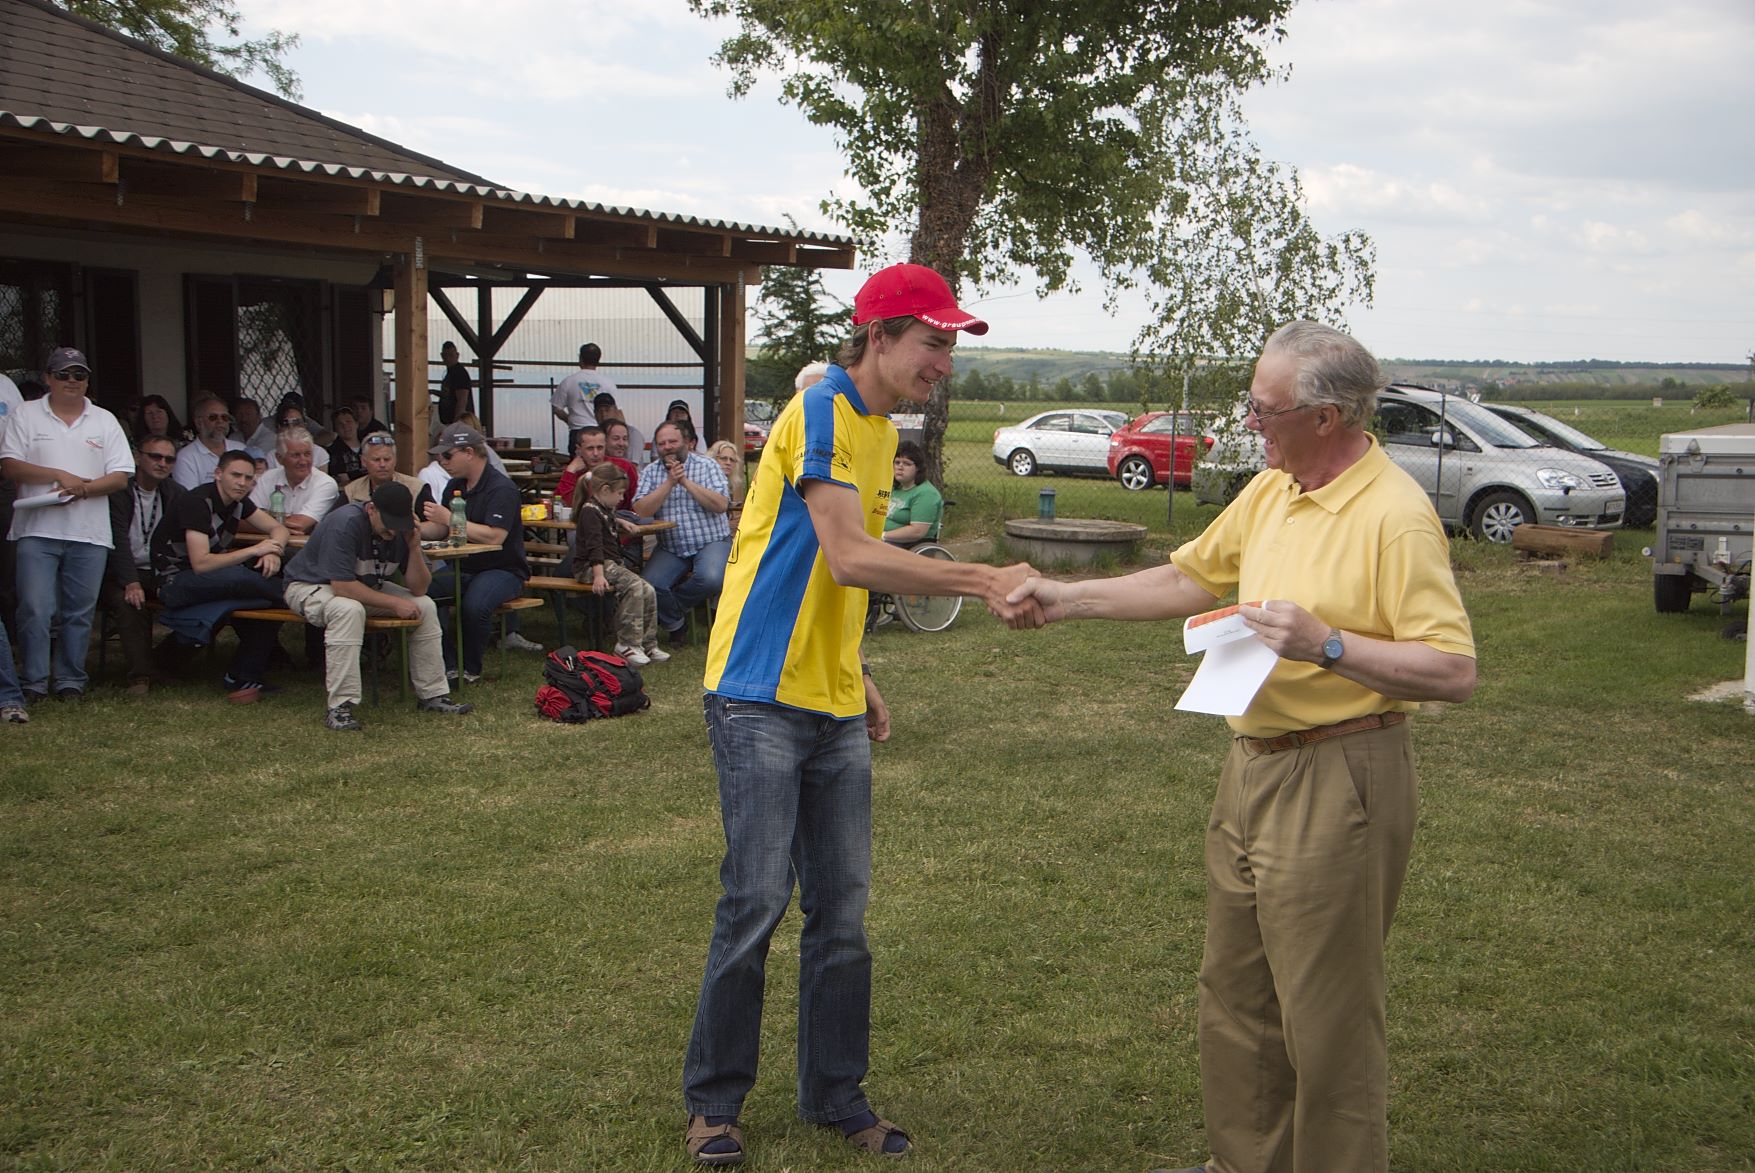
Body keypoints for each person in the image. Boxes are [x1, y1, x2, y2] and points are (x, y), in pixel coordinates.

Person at [1006, 321, 1478, 1173]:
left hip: (1340, 773)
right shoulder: (1271, 489)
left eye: (1263, 409)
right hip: (1251, 766)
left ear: (1325, 417)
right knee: (1236, 996)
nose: (1247, 423)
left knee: (1326, 1018)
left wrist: (1326, 643)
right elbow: (1186, 576)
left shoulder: (1394, 515)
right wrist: (1065, 598)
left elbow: (1451, 668)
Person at [682, 265, 1039, 1166]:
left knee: (840, 913)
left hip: (832, 698)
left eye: (950, 346)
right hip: (758, 692)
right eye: (932, 342)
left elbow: (836, 570)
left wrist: (859, 668)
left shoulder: (880, 431)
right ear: (878, 335)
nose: (943, 363)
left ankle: (835, 1094)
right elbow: (846, 554)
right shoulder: (820, 410)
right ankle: (714, 1103)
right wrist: (980, 577)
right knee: (755, 901)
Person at [283, 482, 474, 731]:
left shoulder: (404, 530)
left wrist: (414, 548)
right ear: (371, 509)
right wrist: (394, 603)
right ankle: (340, 706)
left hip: (365, 586)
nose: (393, 531)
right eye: (389, 524)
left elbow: (419, 588)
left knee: (425, 605)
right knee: (348, 610)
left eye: (399, 524)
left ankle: (433, 695)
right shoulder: (345, 522)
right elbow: (342, 586)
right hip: (310, 585)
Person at [0, 347, 134, 702]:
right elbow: (10, 466)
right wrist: (59, 474)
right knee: (35, 608)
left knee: (79, 612)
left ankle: (71, 681)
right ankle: (34, 681)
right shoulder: (26, 414)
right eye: (63, 374)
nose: (71, 381)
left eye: (79, 374)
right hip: (36, 529)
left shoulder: (104, 420)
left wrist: (84, 489)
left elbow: (121, 476)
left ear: (87, 380)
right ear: (48, 378)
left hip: (89, 531)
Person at [151, 449, 291, 703]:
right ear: (218, 474)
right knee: (245, 578)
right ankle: (296, 596)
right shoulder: (197, 502)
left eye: (248, 478)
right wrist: (256, 549)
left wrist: (274, 551)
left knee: (267, 597)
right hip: (175, 581)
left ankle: (242, 676)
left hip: (214, 578)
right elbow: (201, 563)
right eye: (235, 475)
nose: (242, 483)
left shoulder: (239, 502)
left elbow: (278, 528)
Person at [419, 425, 529, 683]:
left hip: (504, 570)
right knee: (421, 596)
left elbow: (495, 536)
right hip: (464, 566)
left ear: (469, 452)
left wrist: (449, 518)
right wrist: (414, 530)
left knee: (474, 606)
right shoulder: (455, 485)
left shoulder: (502, 488)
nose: (442, 461)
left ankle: (470, 669)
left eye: (447, 455)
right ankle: (447, 663)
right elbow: (441, 529)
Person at [101, 434, 186, 696]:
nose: (162, 463)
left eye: (169, 459)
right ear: (138, 457)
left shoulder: (176, 493)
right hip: (121, 572)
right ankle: (140, 677)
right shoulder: (119, 492)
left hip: (161, 570)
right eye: (155, 456)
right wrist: (131, 581)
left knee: (206, 595)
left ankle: (163, 661)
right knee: (131, 603)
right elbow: (117, 542)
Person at [633, 420, 732, 641]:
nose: (667, 447)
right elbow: (641, 510)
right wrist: (669, 483)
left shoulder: (707, 465)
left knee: (711, 578)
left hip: (712, 541)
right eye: (661, 443)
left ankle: (673, 609)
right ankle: (676, 624)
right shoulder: (650, 472)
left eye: (672, 441)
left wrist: (685, 481)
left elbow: (720, 505)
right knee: (649, 585)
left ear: (687, 442)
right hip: (672, 546)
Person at [571, 462, 667, 667]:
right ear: (605, 490)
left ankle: (648, 643)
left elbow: (608, 519)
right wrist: (598, 575)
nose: (622, 498)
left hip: (608, 564)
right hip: (591, 567)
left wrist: (621, 522)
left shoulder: (603, 508)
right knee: (634, 586)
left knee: (648, 588)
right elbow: (594, 545)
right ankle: (627, 644)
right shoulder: (589, 511)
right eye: (620, 493)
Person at [342, 432, 445, 541]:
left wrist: (412, 528)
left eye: (387, 459)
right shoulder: (351, 491)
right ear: (363, 461)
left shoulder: (416, 488)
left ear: (395, 460)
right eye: (376, 460)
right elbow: (339, 524)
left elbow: (440, 527)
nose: (382, 465)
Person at [249, 425, 339, 536]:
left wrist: (262, 520)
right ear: (279, 458)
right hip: (266, 542)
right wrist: (277, 527)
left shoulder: (325, 483)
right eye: (296, 455)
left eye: (307, 454)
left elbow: (298, 525)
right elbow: (244, 518)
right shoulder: (267, 477)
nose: (303, 461)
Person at [550, 343, 613, 452]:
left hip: (577, 432)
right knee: (599, 461)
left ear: (580, 359)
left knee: (577, 461)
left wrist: (569, 420)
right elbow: (615, 411)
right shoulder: (607, 383)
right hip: (600, 432)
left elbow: (557, 408)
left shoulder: (568, 381)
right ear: (598, 360)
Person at [881, 440, 940, 546]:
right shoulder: (895, 488)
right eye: (897, 462)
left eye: (907, 464)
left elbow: (917, 531)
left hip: (906, 545)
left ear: (918, 468)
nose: (900, 467)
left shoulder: (926, 494)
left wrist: (882, 536)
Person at [172, 394, 237, 489]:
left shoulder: (241, 448)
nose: (220, 421)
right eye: (213, 417)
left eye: (225, 417)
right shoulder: (185, 457)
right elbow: (189, 496)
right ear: (199, 423)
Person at [706, 440, 746, 533]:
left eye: (732, 460)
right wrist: (728, 525)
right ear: (712, 459)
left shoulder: (726, 483)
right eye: (723, 458)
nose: (728, 463)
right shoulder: (705, 483)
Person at [597, 393, 647, 465]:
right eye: (599, 411)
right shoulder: (595, 434)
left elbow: (633, 466)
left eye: (607, 410)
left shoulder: (633, 433)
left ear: (616, 410)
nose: (603, 414)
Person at [436, 341, 473, 427]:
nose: (448, 358)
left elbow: (462, 400)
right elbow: (448, 394)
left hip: (458, 423)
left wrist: (457, 423)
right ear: (442, 356)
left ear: (457, 355)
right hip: (449, 422)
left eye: (451, 355)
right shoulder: (450, 373)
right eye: (445, 355)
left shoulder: (459, 373)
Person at [326, 406, 365, 484]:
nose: (345, 426)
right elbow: (338, 477)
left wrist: (350, 475)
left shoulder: (369, 446)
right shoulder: (331, 452)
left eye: (348, 421)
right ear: (335, 428)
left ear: (356, 424)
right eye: (340, 424)